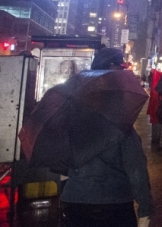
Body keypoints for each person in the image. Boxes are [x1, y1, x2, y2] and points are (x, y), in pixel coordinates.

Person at [60, 48, 153, 227]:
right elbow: (136, 170)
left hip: (74, 200)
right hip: (113, 204)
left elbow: (62, 163)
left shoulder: (72, 120)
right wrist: (145, 209)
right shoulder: (120, 126)